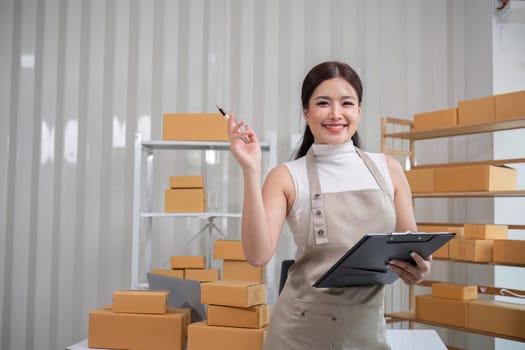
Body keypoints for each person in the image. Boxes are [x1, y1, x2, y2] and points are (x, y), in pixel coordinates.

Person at [227, 61, 431, 349]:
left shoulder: (390, 170)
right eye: (323, 103)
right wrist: (250, 170)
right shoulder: (286, 177)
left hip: (366, 332)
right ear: (306, 112)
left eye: (347, 103)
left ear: (359, 110)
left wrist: (418, 270)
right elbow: (257, 255)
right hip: (298, 333)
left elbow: (410, 248)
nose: (336, 114)